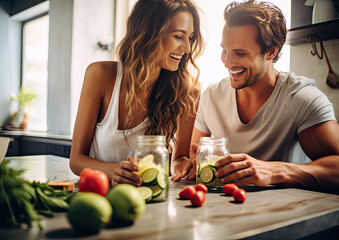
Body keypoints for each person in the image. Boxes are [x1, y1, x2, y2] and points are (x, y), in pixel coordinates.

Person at [174, 0, 339, 192]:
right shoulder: (211, 97)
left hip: (285, 216)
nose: (227, 62)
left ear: (271, 52)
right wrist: (189, 165)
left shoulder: (301, 98)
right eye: (224, 50)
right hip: (223, 213)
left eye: (240, 53)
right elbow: (192, 160)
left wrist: (274, 171)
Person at [70, 0, 204, 186]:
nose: (187, 48)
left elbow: (179, 158)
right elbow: (76, 160)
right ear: (149, 33)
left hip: (152, 197)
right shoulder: (101, 75)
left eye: (190, 38)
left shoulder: (188, 91)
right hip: (98, 193)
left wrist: (183, 166)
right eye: (178, 36)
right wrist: (114, 170)